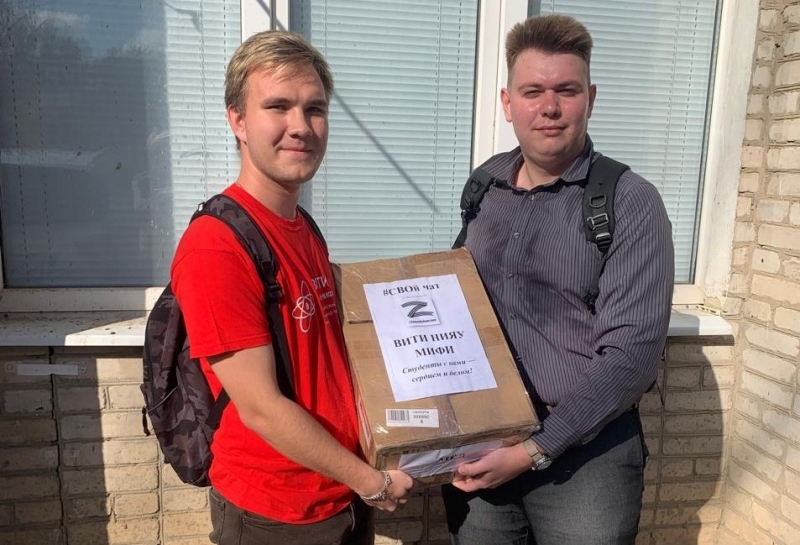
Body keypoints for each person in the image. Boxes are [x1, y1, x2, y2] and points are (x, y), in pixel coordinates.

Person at [170, 30, 413, 544]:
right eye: (278, 106)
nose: (300, 126)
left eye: (315, 109)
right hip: (276, 511)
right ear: (237, 120)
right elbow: (260, 407)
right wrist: (371, 481)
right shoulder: (216, 246)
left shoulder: (302, 227)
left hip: (340, 490)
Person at [442, 14, 674, 545]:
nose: (549, 107)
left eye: (566, 91)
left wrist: (535, 448)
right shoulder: (485, 186)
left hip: (587, 456)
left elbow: (632, 356)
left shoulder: (628, 201)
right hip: (486, 435)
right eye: (533, 92)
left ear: (590, 97)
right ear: (508, 103)